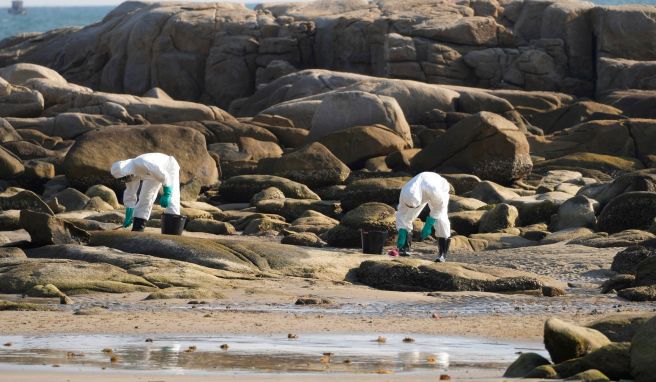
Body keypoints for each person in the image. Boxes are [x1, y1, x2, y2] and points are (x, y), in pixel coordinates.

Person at [389, 172, 451, 262]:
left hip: (439, 190)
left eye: (413, 207)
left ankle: (442, 255)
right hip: (419, 194)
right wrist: (402, 230)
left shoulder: (435, 190)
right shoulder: (405, 192)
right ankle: (404, 248)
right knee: (406, 217)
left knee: (441, 220)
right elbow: (401, 213)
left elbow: (439, 207)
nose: (411, 208)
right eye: (410, 206)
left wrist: (429, 224)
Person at [110, 153, 181, 232]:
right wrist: (129, 213)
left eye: (124, 178)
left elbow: (164, 176)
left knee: (172, 201)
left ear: (126, 172)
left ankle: (172, 234)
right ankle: (138, 229)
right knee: (144, 198)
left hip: (168, 167)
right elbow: (130, 193)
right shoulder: (129, 175)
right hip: (151, 175)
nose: (125, 180)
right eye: (122, 179)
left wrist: (167, 193)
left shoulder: (142, 163)